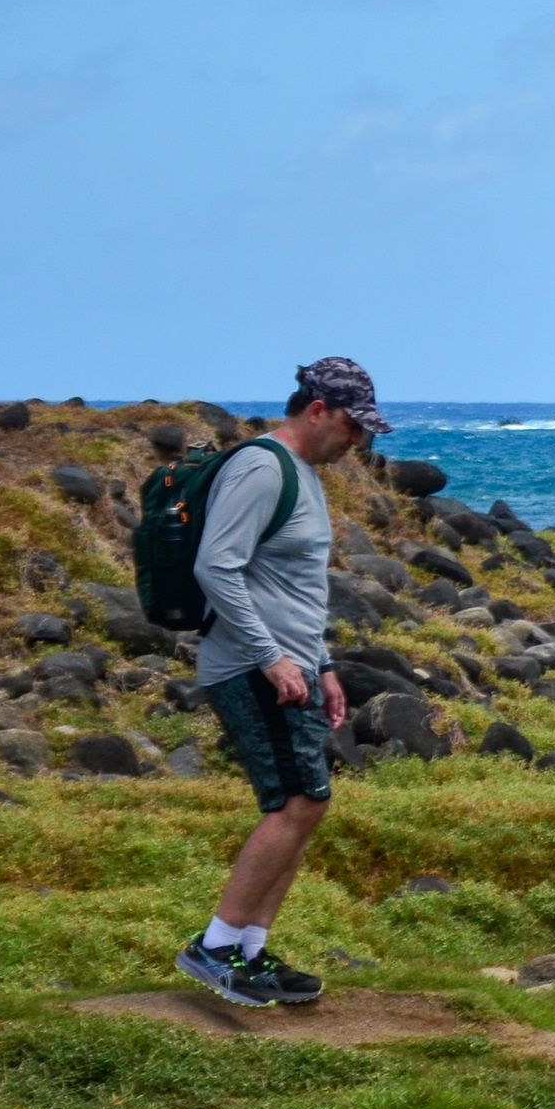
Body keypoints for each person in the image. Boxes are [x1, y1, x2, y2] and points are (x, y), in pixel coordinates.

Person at [175, 358, 387, 1009]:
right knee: (295, 803)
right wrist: (272, 659)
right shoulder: (262, 467)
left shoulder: (305, 476)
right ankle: (213, 949)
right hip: (251, 667)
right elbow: (217, 567)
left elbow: (296, 589)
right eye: (353, 427)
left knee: (307, 804)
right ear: (317, 409)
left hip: (290, 666)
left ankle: (251, 952)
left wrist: (321, 665)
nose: (359, 442)